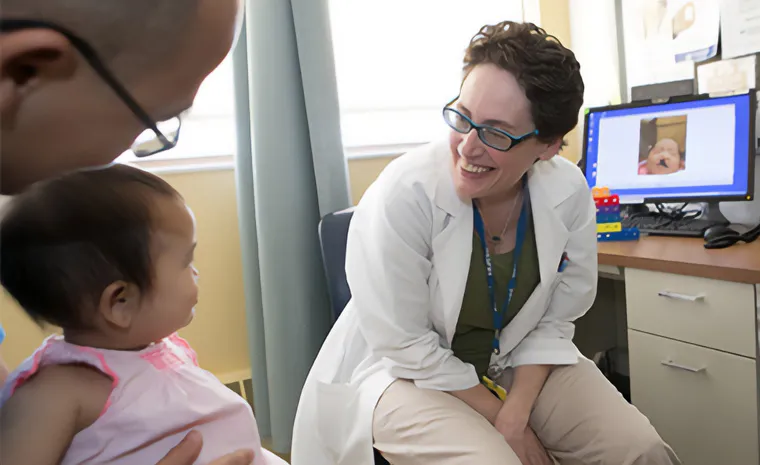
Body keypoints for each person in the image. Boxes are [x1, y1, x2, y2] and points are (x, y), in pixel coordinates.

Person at [291, 21, 680, 465]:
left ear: (548, 145)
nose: (467, 147)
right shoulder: (407, 192)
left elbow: (554, 321)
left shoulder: (568, 194)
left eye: (496, 132)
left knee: (639, 451)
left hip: (517, 357)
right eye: (463, 116)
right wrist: (503, 422)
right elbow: (407, 346)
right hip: (407, 374)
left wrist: (516, 414)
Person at [0, 1, 250, 464]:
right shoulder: (61, 392)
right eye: (151, 118)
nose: (122, 153)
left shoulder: (153, 349)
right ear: (25, 71)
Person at [0, 165, 286, 465]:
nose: (196, 272)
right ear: (120, 302)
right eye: (186, 261)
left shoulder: (158, 351)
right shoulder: (56, 394)